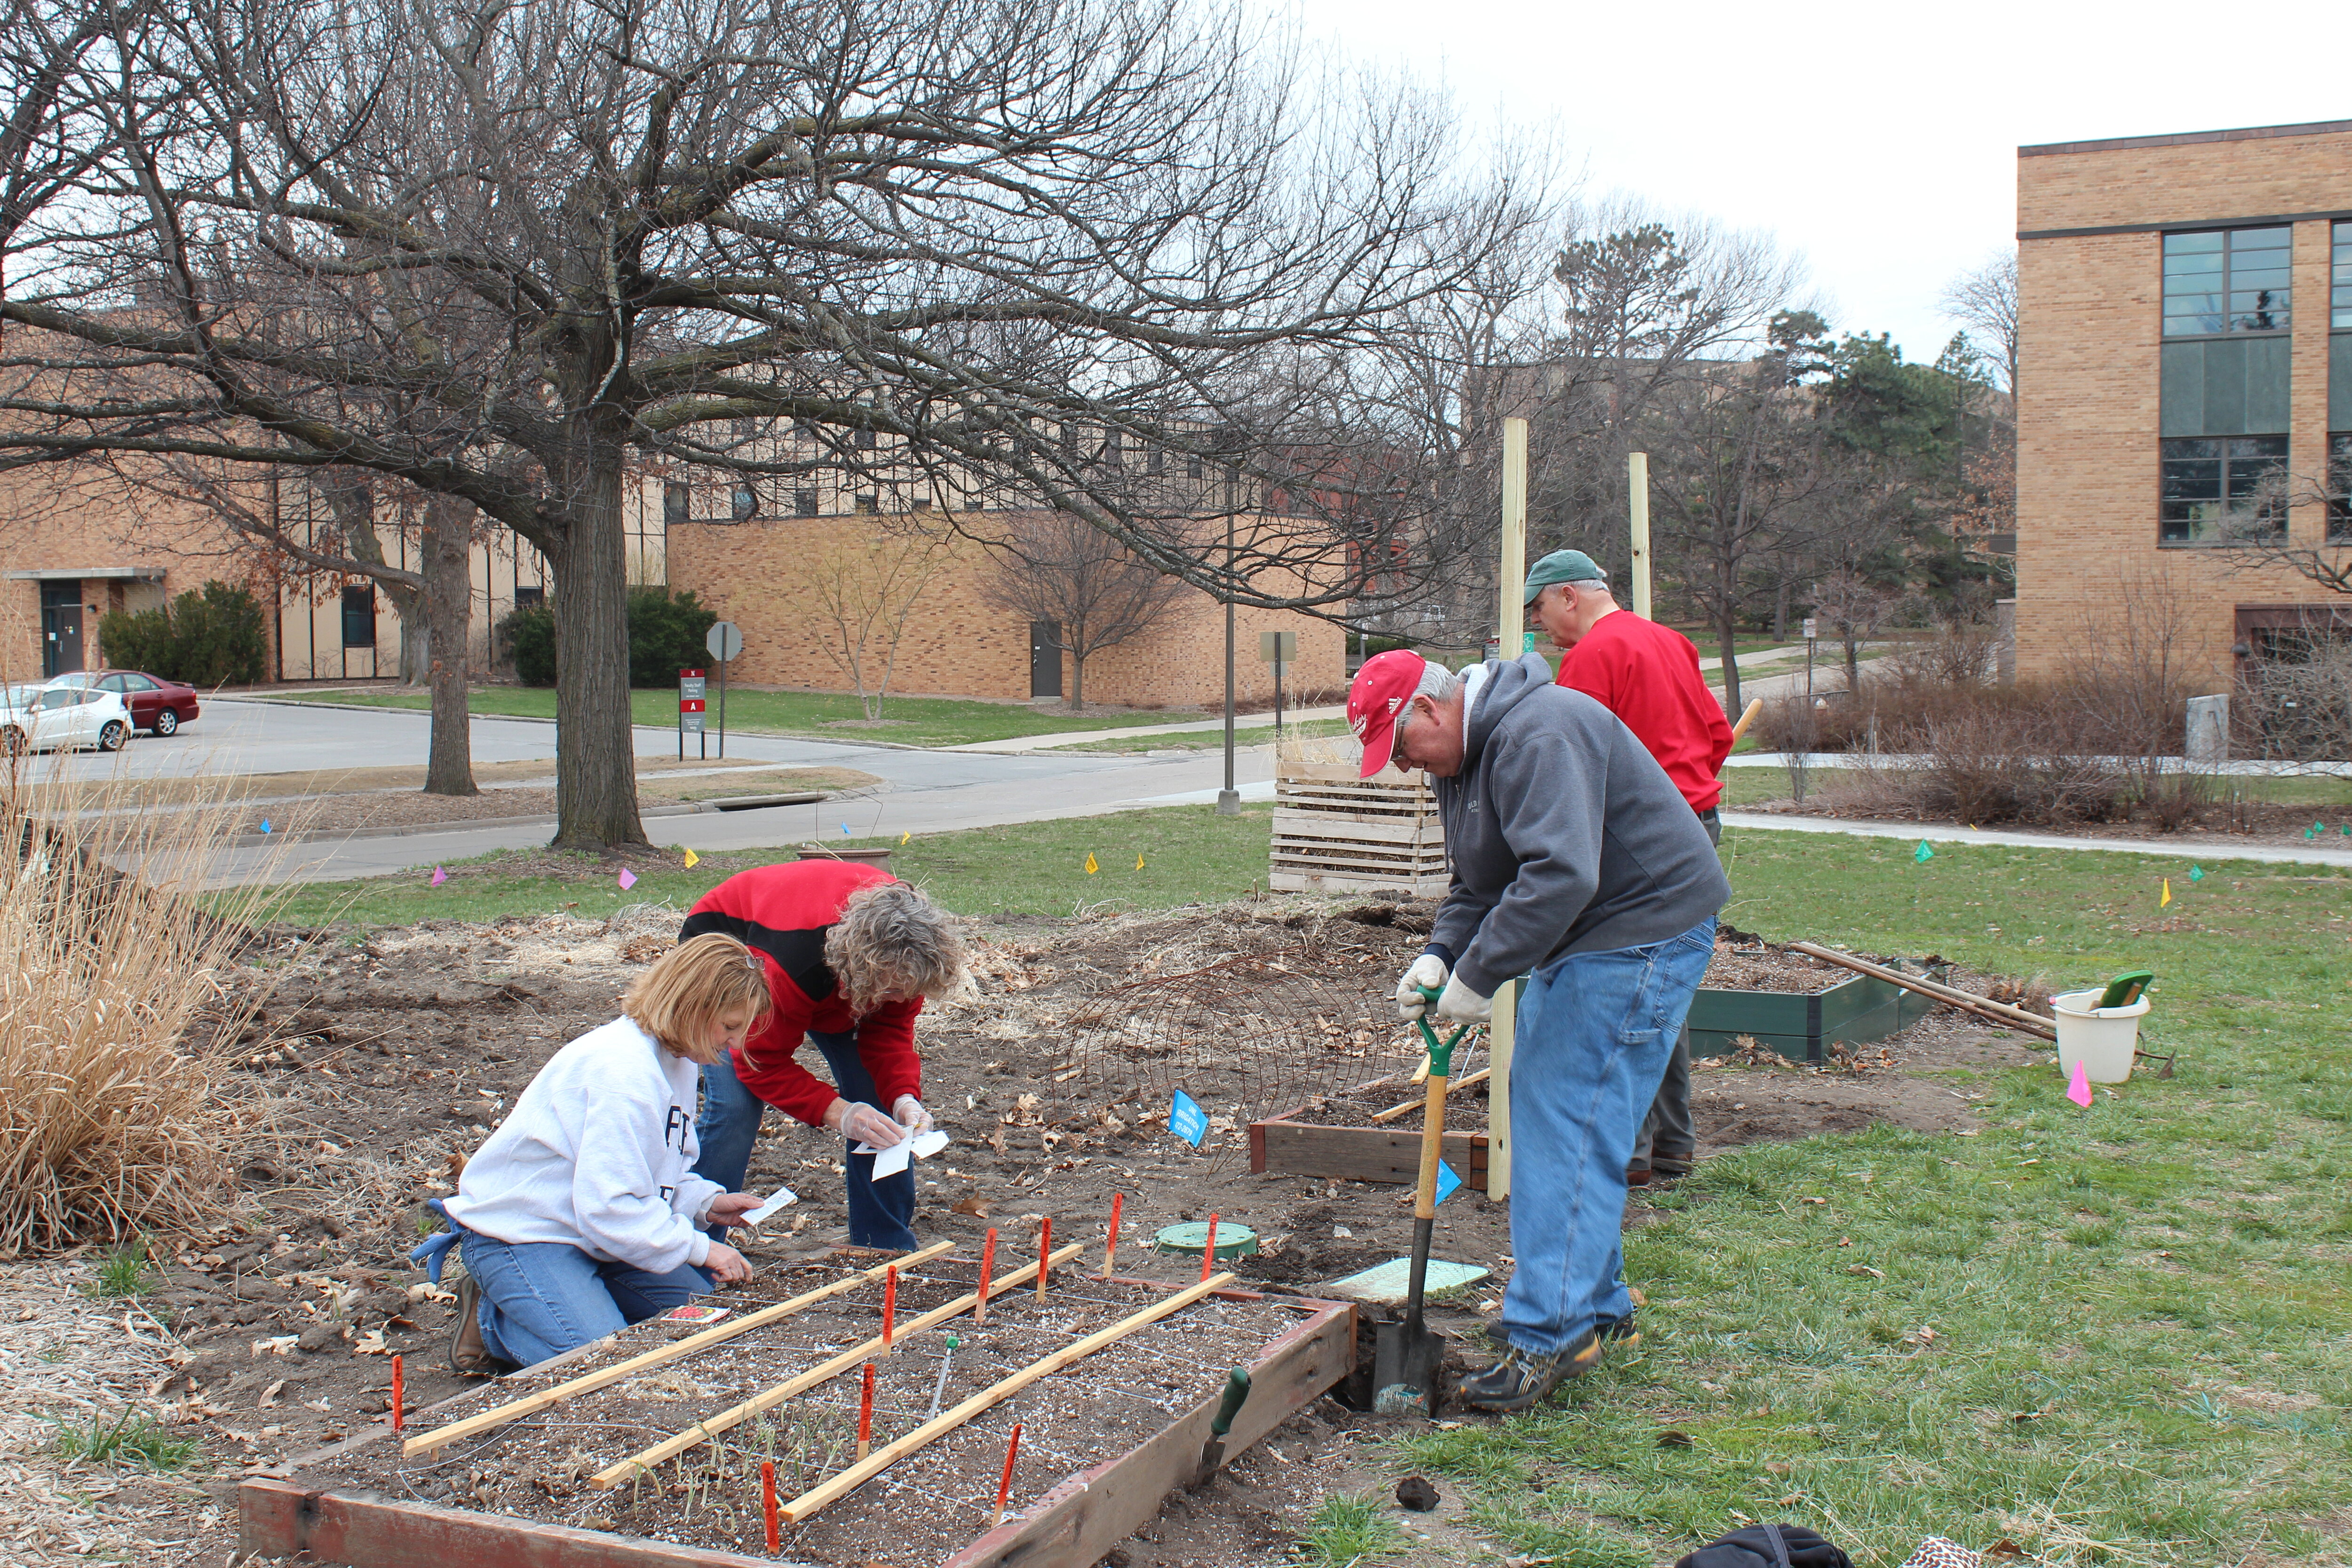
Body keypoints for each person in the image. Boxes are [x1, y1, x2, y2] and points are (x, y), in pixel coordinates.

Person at [1351, 646, 1729, 1412]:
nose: (1399, 766)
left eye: (1398, 747)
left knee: (1564, 1113)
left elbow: (1561, 874)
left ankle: (1551, 1333)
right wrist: (1440, 956)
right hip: (1596, 931)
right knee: (1563, 1108)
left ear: (1428, 709)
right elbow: (1479, 883)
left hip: (1642, 927)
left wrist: (1478, 979)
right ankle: (1598, 1304)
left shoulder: (1538, 731)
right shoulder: (1462, 763)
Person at [415, 932, 773, 1373]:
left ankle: (561, 1303)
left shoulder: (677, 1059)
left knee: (703, 1326)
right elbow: (609, 1207)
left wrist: (706, 1203)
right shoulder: (622, 1072)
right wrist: (701, 1249)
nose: (734, 1044)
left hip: (598, 1237)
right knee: (608, 1364)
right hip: (524, 1237)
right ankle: (493, 1324)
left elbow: (658, 1172)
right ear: (692, 1007)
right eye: (730, 1026)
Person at [1523, 548, 1734, 1189]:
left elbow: (1569, 764)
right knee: (1664, 982)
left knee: (1620, 983)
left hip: (1635, 845)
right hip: (1695, 831)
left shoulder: (1591, 657)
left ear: (1568, 596)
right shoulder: (1672, 642)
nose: (1540, 630)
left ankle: (1631, 1152)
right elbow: (1718, 733)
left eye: (1539, 611)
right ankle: (1673, 1141)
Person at [682, 860, 968, 1252]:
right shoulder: (789, 968)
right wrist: (841, 1114)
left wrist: (904, 1096)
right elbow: (761, 1062)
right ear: (864, 973)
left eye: (908, 991)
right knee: (735, 1106)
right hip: (736, 949)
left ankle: (881, 1243)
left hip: (832, 973)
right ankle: (694, 1245)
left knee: (880, 1103)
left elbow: (888, 1032)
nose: (902, 1000)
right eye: (893, 991)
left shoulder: (910, 956)